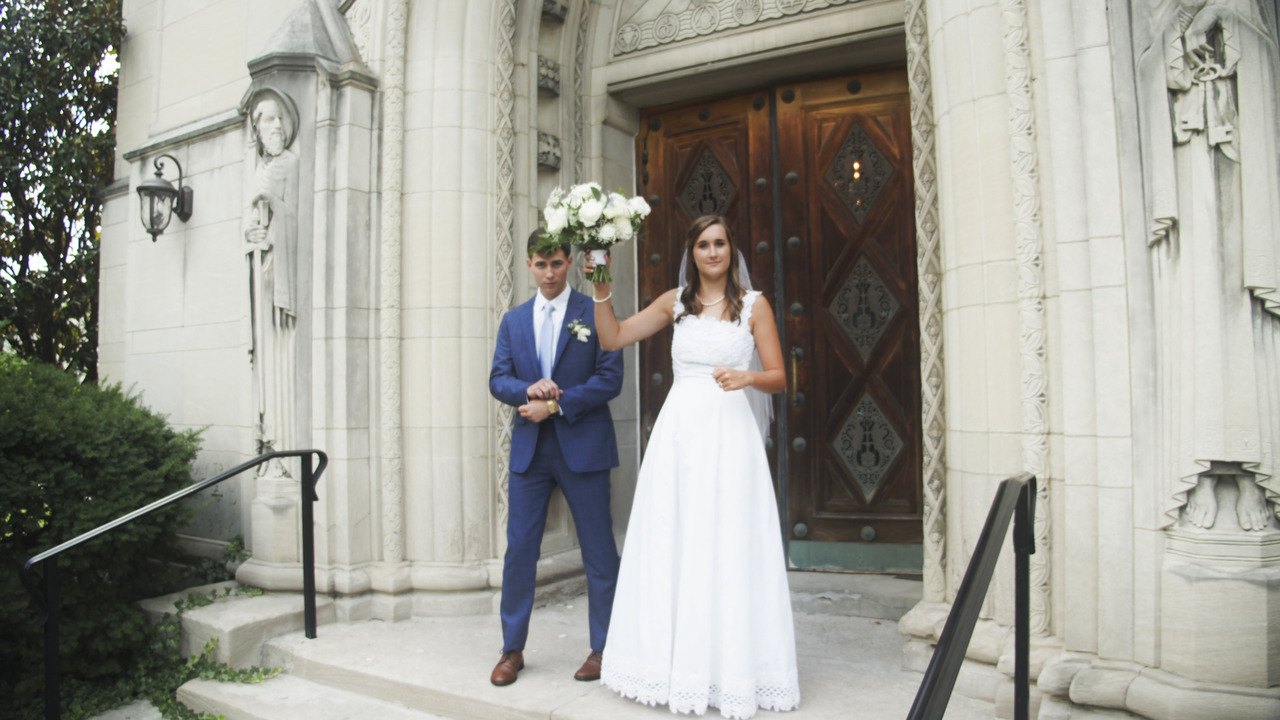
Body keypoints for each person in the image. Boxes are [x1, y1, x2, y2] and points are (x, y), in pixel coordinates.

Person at [592, 215, 800, 719]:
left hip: (731, 438)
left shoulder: (755, 306)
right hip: (679, 439)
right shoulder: (674, 303)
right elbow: (613, 338)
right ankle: (670, 667)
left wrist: (749, 376)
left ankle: (733, 673)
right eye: (704, 244)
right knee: (676, 540)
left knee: (728, 545)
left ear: (732, 250)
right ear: (693, 251)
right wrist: (600, 291)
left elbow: (779, 377)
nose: (713, 252)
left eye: (721, 243)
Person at [488, 229, 624, 686]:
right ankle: (512, 650)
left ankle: (604, 648)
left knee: (599, 552)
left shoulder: (593, 311)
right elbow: (498, 379)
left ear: (571, 262)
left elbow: (610, 378)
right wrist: (528, 389)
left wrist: (557, 404)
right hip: (531, 452)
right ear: (529, 265)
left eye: (557, 263)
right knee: (519, 552)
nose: (549, 272)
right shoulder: (513, 321)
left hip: (583, 446)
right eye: (541, 264)